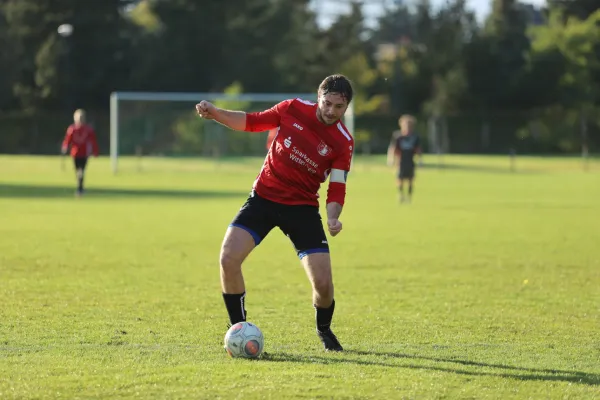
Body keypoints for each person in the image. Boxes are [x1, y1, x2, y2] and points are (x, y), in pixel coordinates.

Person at [196, 74, 354, 352]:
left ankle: (324, 330)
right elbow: (253, 121)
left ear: (347, 107)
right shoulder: (292, 108)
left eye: (338, 107)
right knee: (228, 258)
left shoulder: (343, 141)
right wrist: (216, 114)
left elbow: (337, 187)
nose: (331, 111)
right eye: (327, 103)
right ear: (318, 97)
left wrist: (332, 216)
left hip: (302, 209)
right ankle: (238, 328)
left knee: (324, 284)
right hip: (263, 200)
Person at [61, 109, 99, 197]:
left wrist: (95, 151)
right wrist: (65, 147)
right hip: (75, 154)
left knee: (81, 171)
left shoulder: (88, 130)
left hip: (85, 154)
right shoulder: (72, 129)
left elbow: (93, 141)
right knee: (78, 171)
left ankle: (80, 188)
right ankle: (80, 187)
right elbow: (67, 140)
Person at [387, 115, 422, 203]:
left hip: (410, 160)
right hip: (400, 160)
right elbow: (393, 148)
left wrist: (420, 160)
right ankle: (401, 195)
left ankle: (409, 197)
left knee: (410, 179)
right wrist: (391, 159)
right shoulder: (397, 136)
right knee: (400, 178)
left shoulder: (415, 137)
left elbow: (418, 149)